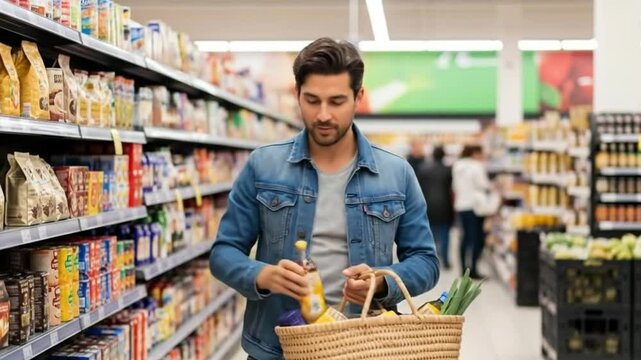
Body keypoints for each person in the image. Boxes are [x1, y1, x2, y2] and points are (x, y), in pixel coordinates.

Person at [209, 37, 440, 360]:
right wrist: (262, 275)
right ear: (297, 95)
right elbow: (223, 253)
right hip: (279, 347)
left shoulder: (396, 173)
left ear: (359, 97)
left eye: (336, 101)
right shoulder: (263, 166)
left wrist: (382, 283)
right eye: (312, 100)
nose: (323, 115)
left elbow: (426, 262)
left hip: (366, 346)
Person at [452, 144, 489, 279]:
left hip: (461, 205)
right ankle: (473, 269)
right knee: (476, 239)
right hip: (475, 207)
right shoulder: (476, 166)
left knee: (464, 238)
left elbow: (455, 186)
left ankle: (463, 269)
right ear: (475, 153)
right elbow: (483, 185)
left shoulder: (457, 166)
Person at [417, 146, 454, 269]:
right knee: (445, 234)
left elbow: (419, 190)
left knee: (428, 234)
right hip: (444, 206)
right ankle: (446, 261)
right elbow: (451, 190)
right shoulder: (448, 170)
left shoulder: (423, 169)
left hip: (427, 205)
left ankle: (431, 261)